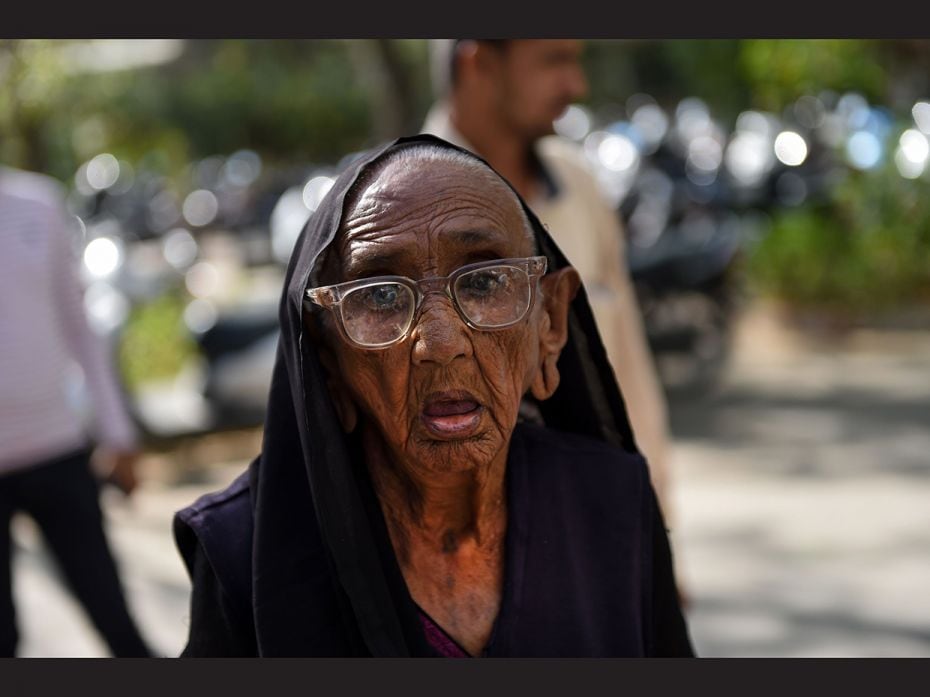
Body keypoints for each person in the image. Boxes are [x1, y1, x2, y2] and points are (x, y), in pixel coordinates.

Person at [174, 135, 693, 657]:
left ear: (551, 324)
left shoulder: (613, 504)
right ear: (328, 361)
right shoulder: (242, 552)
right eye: (379, 296)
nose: (440, 345)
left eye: (486, 283)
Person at [422, 39, 675, 511]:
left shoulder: (579, 186)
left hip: (598, 528)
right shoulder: (398, 208)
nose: (576, 85)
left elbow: (629, 371)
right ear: (479, 64)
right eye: (554, 60)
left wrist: (657, 529)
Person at [0, 165, 152, 657]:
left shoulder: (37, 204)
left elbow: (80, 330)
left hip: (57, 448)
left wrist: (118, 436)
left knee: (115, 619)